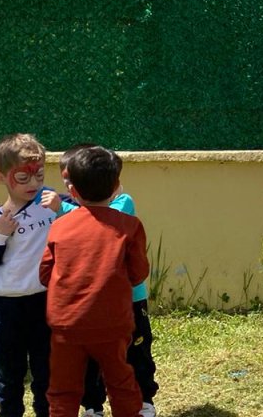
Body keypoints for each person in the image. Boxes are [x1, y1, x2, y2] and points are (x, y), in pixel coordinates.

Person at [39, 145, 159, 417]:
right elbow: (138, 273)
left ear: (72, 190)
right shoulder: (129, 226)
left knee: (62, 390)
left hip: (65, 326)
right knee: (121, 383)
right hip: (113, 325)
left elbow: (45, 274)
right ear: (116, 185)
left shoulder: (59, 226)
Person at [0, 133, 57, 417]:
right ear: (1, 177)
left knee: (47, 372)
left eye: (40, 175)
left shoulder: (52, 205)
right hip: (7, 307)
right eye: (23, 178)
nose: (34, 184)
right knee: (9, 373)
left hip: (46, 302)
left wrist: (63, 207)